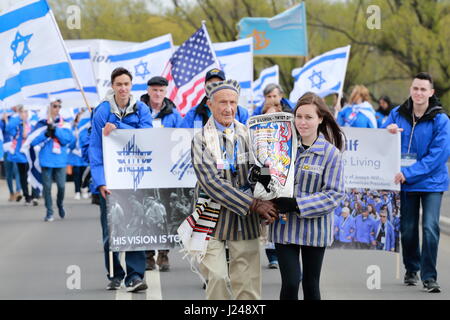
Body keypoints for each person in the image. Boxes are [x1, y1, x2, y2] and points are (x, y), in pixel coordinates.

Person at [190, 79, 279, 300]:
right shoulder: (201, 139)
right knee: (218, 277)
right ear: (209, 105)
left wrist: (269, 191)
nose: (228, 108)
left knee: (247, 284)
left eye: (233, 102)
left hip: (245, 218)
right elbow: (213, 184)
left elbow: (262, 170)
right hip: (210, 215)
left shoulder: (249, 134)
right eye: (222, 102)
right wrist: (255, 203)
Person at [270, 92, 345, 300]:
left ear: (320, 119)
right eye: (299, 116)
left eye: (309, 117)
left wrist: (296, 204)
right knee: (291, 282)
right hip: (284, 227)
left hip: (315, 229)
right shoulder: (281, 148)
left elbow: (334, 194)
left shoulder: (331, 154)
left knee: (311, 285)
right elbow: (267, 177)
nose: (302, 122)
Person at [384, 72, 450, 293]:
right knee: (408, 229)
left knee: (430, 228)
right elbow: (379, 141)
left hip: (431, 182)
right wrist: (387, 132)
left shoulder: (441, 120)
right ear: (411, 90)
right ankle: (411, 267)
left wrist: (409, 173)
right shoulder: (396, 114)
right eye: (415, 88)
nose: (419, 93)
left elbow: (438, 155)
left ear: (431, 92)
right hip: (405, 182)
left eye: (423, 89)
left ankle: (429, 276)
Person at [89, 67, 152, 292]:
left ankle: (135, 276)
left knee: (136, 225)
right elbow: (95, 148)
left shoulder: (141, 109)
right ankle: (115, 273)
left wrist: (119, 128)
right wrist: (100, 181)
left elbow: (146, 138)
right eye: (119, 84)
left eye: (127, 84)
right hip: (110, 180)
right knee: (111, 230)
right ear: (113, 86)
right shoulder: (102, 111)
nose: (123, 88)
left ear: (131, 85)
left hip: (134, 178)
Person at [140, 75, 182, 271]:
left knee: (165, 209)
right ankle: (148, 254)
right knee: (147, 209)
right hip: (144, 170)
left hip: (166, 170)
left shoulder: (173, 114)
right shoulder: (137, 111)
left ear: (166, 92)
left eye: (161, 90)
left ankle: (164, 253)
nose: (157, 94)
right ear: (148, 91)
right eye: (154, 90)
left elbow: (183, 135)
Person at [31, 100, 74, 221]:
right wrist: (46, 133)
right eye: (55, 106)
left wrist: (55, 130)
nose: (57, 108)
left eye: (59, 106)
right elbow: (32, 141)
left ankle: (60, 204)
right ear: (49, 107)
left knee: (61, 186)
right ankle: (49, 212)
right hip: (46, 160)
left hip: (60, 160)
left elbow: (67, 140)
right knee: (47, 188)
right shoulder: (40, 123)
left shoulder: (64, 123)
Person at [181, 69, 249, 128]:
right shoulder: (193, 113)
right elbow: (183, 136)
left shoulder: (242, 113)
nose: (214, 87)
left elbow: (250, 136)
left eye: (218, 83)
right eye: (211, 83)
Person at [5, 105, 38, 205]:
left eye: (26, 111)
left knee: (32, 172)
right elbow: (9, 129)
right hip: (20, 153)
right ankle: (27, 196)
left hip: (30, 152)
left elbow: (36, 134)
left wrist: (27, 133)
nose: (25, 113)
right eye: (22, 112)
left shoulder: (33, 121)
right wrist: (19, 119)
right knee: (23, 175)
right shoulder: (16, 122)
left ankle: (34, 195)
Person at [2, 108, 22, 202]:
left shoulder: (16, 118)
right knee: (8, 173)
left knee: (16, 170)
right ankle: (11, 192)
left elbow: (14, 131)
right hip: (6, 149)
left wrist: (8, 121)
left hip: (15, 147)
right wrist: (4, 120)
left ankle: (18, 191)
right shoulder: (2, 118)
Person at [68, 110, 89, 200]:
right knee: (76, 174)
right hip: (75, 155)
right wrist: (75, 137)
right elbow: (69, 144)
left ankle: (84, 189)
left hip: (84, 154)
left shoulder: (87, 128)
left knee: (85, 173)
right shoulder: (72, 128)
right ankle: (77, 191)